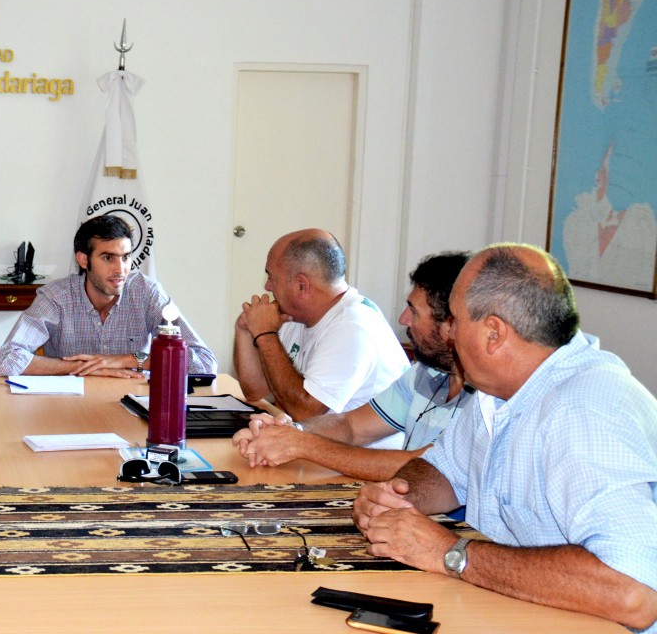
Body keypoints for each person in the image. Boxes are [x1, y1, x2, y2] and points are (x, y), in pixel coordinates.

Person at [354, 244, 657, 632]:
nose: (449, 335)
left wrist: (450, 553)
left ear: (494, 333)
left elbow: (634, 591)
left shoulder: (583, 412)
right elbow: (444, 469)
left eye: (456, 321)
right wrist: (398, 496)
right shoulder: (497, 393)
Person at [233, 251, 479, 479]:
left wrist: (300, 444)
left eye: (413, 312)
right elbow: (351, 426)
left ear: (452, 323)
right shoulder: (426, 373)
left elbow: (427, 466)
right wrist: (290, 431)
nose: (403, 319)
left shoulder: (489, 395)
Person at [233, 229, 407, 448]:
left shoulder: (353, 326)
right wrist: (245, 329)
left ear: (301, 285)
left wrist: (265, 335)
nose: (267, 287)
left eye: (271, 278)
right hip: (319, 452)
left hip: (364, 469)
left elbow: (305, 413)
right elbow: (255, 391)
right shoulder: (295, 317)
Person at [0, 215, 216, 377]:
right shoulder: (57, 296)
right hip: (68, 408)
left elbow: (205, 364)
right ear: (84, 260)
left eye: (126, 257)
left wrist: (127, 361)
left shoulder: (146, 293)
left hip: (133, 408)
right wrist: (85, 368)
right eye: (108, 258)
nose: (121, 270)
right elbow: (6, 361)